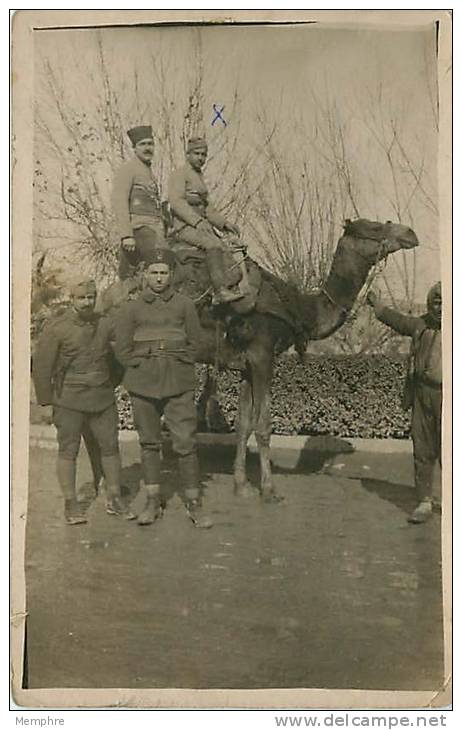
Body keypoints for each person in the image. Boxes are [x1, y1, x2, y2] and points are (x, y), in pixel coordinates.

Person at [114, 248, 213, 529]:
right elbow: (121, 349)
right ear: (145, 275)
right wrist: (140, 361)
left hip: (178, 382)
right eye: (154, 272)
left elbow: (197, 343)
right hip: (143, 383)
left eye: (164, 273)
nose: (159, 278)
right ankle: (152, 500)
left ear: (171, 276)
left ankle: (194, 502)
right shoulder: (131, 307)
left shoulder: (185, 305)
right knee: (149, 443)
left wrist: (179, 359)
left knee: (186, 443)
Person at [32, 278, 135, 525]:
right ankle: (71, 502)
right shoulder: (57, 327)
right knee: (68, 449)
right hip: (69, 399)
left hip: (101, 397)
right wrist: (47, 402)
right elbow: (42, 366)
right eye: (81, 298)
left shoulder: (106, 323)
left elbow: (120, 356)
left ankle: (114, 496)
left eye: (91, 297)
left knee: (110, 447)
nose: (87, 302)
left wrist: (110, 384)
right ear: (72, 298)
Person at [367, 282, 442, 524]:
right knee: (422, 447)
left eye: (444, 302)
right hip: (421, 395)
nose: (439, 307)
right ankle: (424, 501)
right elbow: (398, 321)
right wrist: (378, 307)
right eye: (435, 302)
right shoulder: (420, 324)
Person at [168, 136, 243, 304]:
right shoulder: (179, 175)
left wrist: (224, 224)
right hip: (184, 227)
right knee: (213, 245)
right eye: (197, 153)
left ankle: (232, 285)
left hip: (200, 226)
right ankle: (220, 290)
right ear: (188, 154)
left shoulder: (199, 177)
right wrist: (198, 222)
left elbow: (208, 208)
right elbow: (176, 202)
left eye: (203, 154)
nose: (200, 158)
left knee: (228, 248)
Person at [112, 125, 166, 280]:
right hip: (139, 229)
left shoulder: (149, 173)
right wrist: (126, 235)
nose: (147, 148)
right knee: (162, 261)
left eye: (150, 144)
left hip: (155, 229)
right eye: (142, 144)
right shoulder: (128, 169)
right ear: (134, 148)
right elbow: (119, 201)